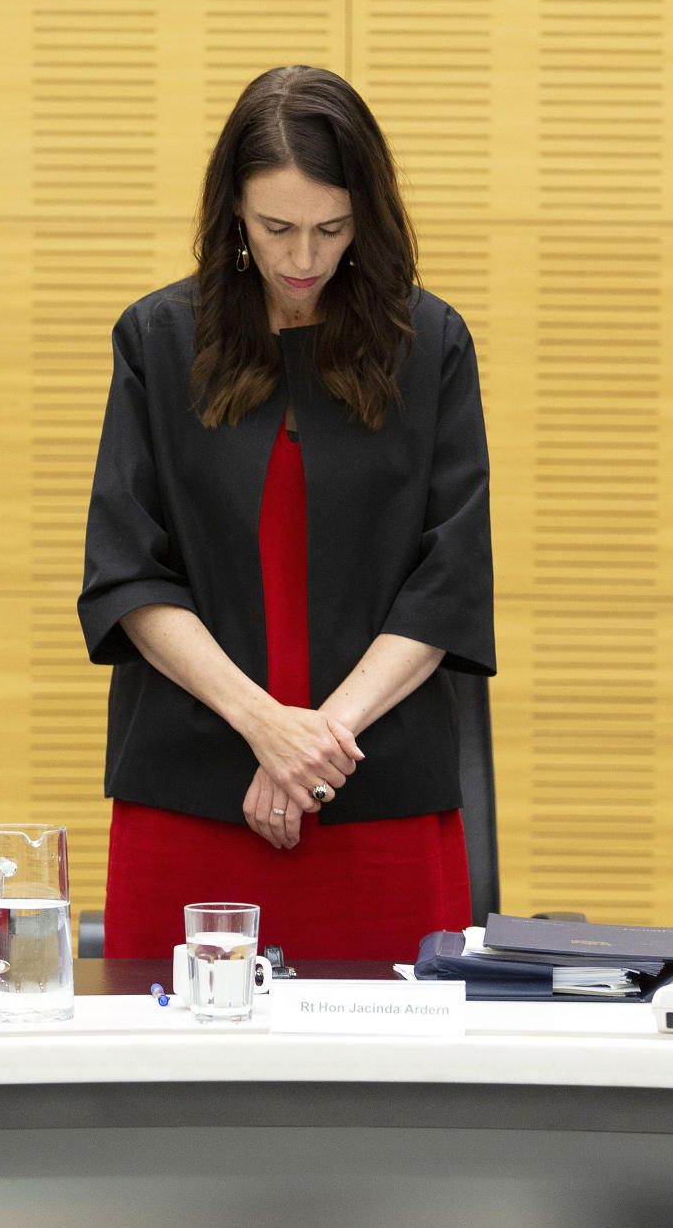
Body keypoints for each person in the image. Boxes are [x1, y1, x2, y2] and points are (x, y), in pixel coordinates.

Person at [78, 64, 495, 961]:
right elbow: (128, 574)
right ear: (234, 212)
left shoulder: (430, 348)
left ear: (366, 220)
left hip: (377, 803)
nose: (304, 259)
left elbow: (447, 581)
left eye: (331, 229)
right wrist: (267, 726)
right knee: (171, 1092)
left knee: (393, 1093)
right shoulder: (157, 341)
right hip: (193, 800)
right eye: (277, 228)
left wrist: (316, 745)